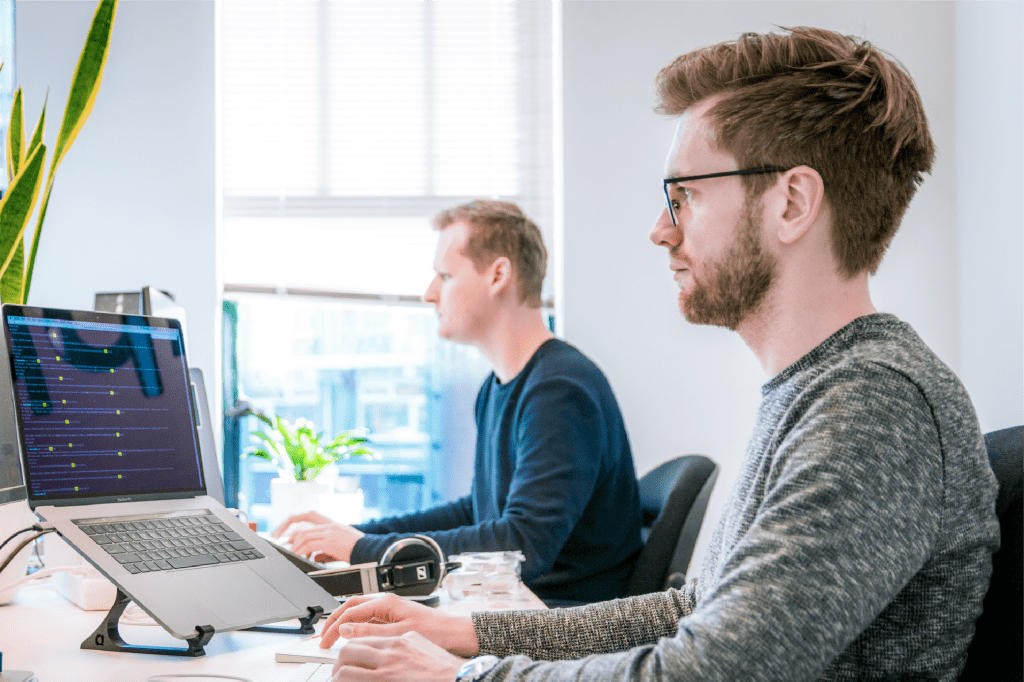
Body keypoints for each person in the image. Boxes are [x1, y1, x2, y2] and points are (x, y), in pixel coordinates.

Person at [312, 27, 1001, 682]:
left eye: (684, 197)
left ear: (791, 202)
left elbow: (710, 671)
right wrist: (471, 635)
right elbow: (692, 611)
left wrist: (469, 674)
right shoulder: (821, 389)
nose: (659, 230)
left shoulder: (873, 407)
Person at [274, 199, 643, 605]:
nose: (429, 294)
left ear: (498, 275)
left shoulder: (559, 391)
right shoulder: (499, 387)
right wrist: (356, 535)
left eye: (445, 275)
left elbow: (522, 547)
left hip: (558, 623)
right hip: (513, 606)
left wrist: (363, 550)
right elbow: (477, 513)